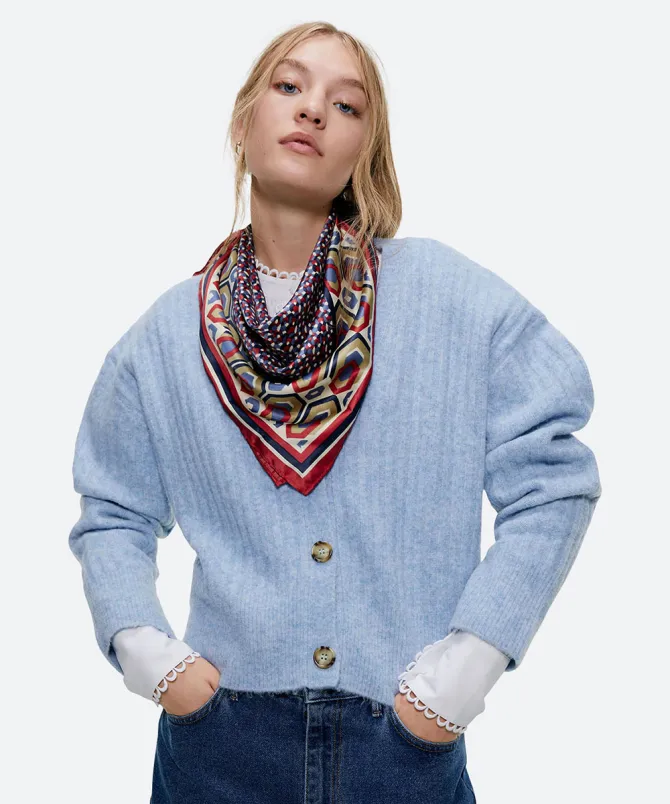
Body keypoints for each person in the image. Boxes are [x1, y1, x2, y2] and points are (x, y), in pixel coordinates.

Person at [68, 21, 602, 804]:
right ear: (243, 122)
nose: (313, 109)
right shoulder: (165, 336)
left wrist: (464, 672)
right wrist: (151, 656)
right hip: (219, 748)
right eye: (289, 86)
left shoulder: (449, 299)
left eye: (346, 105)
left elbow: (554, 477)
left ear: (364, 153)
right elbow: (113, 509)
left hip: (403, 746)